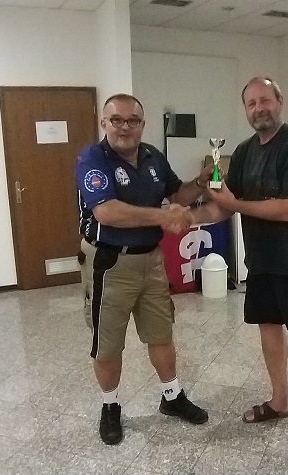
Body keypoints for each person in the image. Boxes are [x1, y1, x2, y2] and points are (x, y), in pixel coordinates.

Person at [190, 77, 288, 461]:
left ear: (280, 101)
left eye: (264, 100)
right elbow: (225, 203)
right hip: (262, 260)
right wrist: (188, 219)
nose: (258, 109)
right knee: (269, 329)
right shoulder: (243, 151)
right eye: (251, 103)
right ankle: (280, 400)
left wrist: (234, 205)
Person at [75, 93, 211, 445]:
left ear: (142, 124)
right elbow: (107, 212)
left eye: (132, 120)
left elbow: (177, 194)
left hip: (151, 260)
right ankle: (110, 406)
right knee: (108, 344)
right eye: (116, 120)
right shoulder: (93, 159)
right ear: (104, 123)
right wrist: (163, 217)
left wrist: (200, 181)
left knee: (161, 334)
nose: (124, 127)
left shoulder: (152, 156)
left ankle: (172, 397)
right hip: (110, 262)